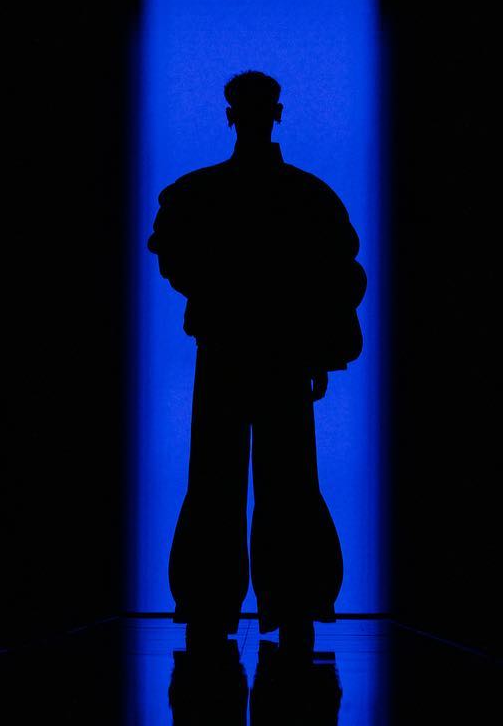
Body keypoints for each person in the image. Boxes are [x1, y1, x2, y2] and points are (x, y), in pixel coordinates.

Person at [147, 70, 366, 655]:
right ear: (278, 114)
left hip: (226, 350)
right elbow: (338, 277)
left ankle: (210, 603)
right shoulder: (309, 198)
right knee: (287, 480)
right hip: (283, 355)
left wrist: (220, 295)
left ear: (231, 117)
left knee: (216, 477)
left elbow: (173, 257)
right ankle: (292, 603)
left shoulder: (197, 195)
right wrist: (321, 350)